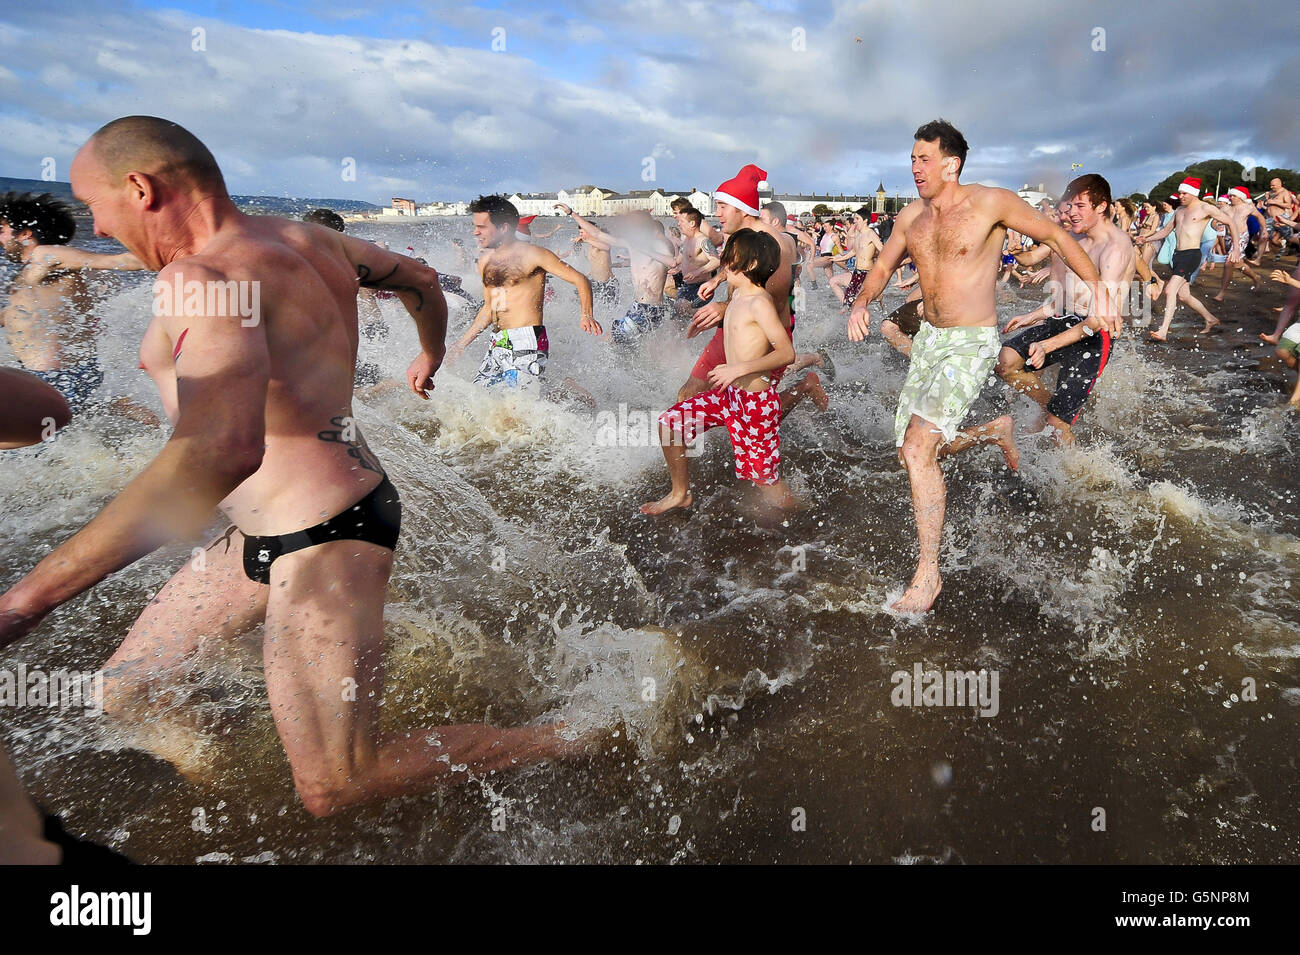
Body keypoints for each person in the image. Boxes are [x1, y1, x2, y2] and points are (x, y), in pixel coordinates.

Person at [0, 116, 593, 818]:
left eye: (94, 205)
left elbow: (221, 449)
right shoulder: (310, 240)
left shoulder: (206, 277)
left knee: (338, 785)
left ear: (140, 187)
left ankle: (578, 735)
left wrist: (25, 600)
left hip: (326, 534)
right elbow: (422, 280)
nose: (94, 223)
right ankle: (225, 802)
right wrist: (427, 350)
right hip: (257, 532)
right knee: (128, 691)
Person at [847, 119, 1112, 614]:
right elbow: (881, 269)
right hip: (930, 341)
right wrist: (863, 301)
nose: (915, 167)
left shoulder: (990, 202)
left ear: (952, 163)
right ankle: (993, 430)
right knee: (911, 452)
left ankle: (928, 574)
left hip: (971, 341)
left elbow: (1055, 235)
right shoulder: (911, 219)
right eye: (912, 158)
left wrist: (1100, 289)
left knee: (919, 446)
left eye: (924, 159)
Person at [641, 228, 795, 516]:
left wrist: (738, 368)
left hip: (755, 405)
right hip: (729, 396)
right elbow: (741, 334)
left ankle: (804, 514)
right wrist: (706, 324)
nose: (723, 262)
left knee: (764, 482)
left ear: (749, 265)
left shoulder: (760, 302)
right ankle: (680, 493)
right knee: (670, 424)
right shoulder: (737, 297)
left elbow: (786, 353)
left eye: (730, 258)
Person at [990, 174, 1136, 446]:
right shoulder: (1073, 238)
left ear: (1101, 206)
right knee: (1006, 362)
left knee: (1058, 425)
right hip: (1065, 319)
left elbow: (1099, 318)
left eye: (1080, 206)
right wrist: (1032, 314)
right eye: (1070, 206)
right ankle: (1051, 405)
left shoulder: (1116, 247)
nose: (1071, 213)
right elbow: (1061, 295)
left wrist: (1048, 345)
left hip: (1095, 335)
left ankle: (1078, 477)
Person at [0, 191, 157, 423]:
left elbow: (118, 261)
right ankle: (111, 407)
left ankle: (110, 407)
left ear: (25, 234)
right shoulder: (34, 270)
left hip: (55, 376)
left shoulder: (46, 255)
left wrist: (183, 252)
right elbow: (16, 316)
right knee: (44, 435)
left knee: (25, 442)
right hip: (62, 374)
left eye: (1, 231)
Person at [449, 195, 600, 389]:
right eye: (475, 226)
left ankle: (568, 391)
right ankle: (561, 388)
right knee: (482, 398)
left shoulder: (534, 254)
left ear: (503, 228)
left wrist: (586, 315)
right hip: (498, 341)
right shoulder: (484, 262)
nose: (475, 233)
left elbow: (580, 279)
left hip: (527, 339)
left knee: (519, 408)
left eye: (482, 227)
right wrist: (461, 344)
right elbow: (489, 308)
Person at [1138, 177, 1240, 340]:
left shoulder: (1205, 208)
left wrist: (1236, 248)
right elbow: (1165, 231)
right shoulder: (1179, 211)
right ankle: (1210, 319)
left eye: (1184, 193)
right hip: (1177, 256)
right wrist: (1146, 239)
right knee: (1184, 296)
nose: (1181, 196)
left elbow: (1231, 223)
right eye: (1180, 193)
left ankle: (1163, 331)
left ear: (1193, 193)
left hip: (1192, 254)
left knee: (1170, 290)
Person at [555, 205, 674, 342]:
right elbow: (598, 234)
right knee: (630, 345)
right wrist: (572, 213)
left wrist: (643, 249)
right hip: (638, 307)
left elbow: (672, 262)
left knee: (608, 340)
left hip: (650, 308)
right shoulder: (633, 243)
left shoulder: (659, 243)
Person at [1212, 186, 1267, 301]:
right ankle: (1256, 277)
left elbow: (1260, 218)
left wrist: (1264, 230)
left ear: (1241, 197)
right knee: (1237, 263)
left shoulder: (1248, 208)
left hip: (1242, 236)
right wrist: (1217, 226)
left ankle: (1221, 293)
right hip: (1228, 237)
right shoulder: (1225, 208)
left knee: (1229, 263)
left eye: (1234, 196)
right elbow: (1214, 222)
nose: (1231, 198)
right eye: (1230, 195)